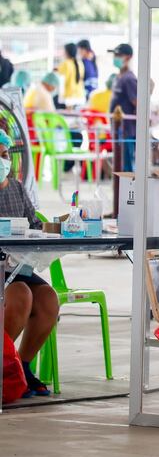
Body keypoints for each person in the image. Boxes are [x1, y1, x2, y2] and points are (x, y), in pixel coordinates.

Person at [0, 130, 59, 397]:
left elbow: (34, 225)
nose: (4, 161)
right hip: (4, 272)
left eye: (4, 155)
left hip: (18, 267)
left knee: (47, 298)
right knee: (21, 295)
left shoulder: (16, 188)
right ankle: (4, 363)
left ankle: (21, 366)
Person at [108, 43, 137, 172]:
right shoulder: (117, 78)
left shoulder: (129, 79)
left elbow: (137, 103)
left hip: (126, 130)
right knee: (119, 166)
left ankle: (129, 192)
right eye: (115, 55)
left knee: (126, 168)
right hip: (117, 129)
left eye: (119, 55)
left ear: (129, 57)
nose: (116, 58)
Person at [55, 42, 85, 107]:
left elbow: (62, 81)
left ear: (67, 52)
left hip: (68, 98)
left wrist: (60, 97)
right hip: (80, 96)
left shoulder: (65, 64)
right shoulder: (80, 63)